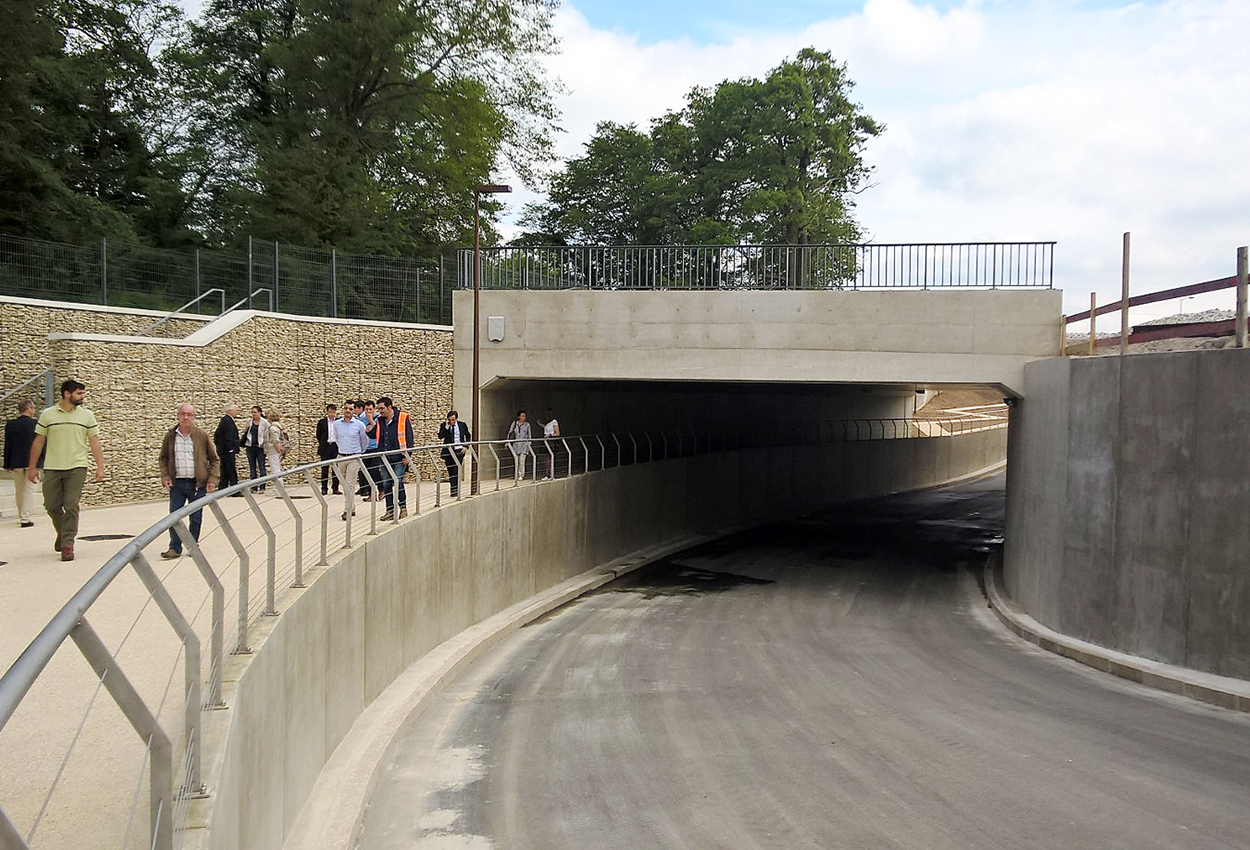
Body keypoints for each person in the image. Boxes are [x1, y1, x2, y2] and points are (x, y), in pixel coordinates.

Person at [27, 379, 105, 561]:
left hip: (77, 466)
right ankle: (62, 533)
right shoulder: (48, 415)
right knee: (52, 505)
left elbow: (94, 442)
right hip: (53, 467)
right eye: (79, 394)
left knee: (70, 505)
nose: (82, 397)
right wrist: (32, 467)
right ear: (66, 394)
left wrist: (100, 466)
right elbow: (38, 441)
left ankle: (68, 543)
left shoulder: (87, 416)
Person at [158, 403, 220, 559]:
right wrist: (165, 476)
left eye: (189, 414)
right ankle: (175, 547)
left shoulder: (201, 436)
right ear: (178, 416)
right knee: (174, 516)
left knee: (196, 517)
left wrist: (212, 478)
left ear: (194, 417)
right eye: (183, 414)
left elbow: (214, 459)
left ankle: (193, 544)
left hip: (197, 484)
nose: (186, 417)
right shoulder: (171, 436)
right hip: (177, 483)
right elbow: (163, 458)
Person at [3, 399, 42, 527]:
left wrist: (7, 463)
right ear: (28, 408)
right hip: (31, 461)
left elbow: (7, 445)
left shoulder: (11, 425)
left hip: (16, 461)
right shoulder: (35, 424)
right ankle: (25, 517)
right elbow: (41, 444)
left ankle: (21, 515)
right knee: (29, 489)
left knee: (19, 490)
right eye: (33, 408)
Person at [375, 396, 414, 520]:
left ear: (389, 407)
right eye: (379, 409)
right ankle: (390, 511)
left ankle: (403, 508)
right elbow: (374, 435)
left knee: (398, 482)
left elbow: (409, 438)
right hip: (385, 458)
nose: (380, 411)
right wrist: (370, 423)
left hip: (399, 458)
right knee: (387, 484)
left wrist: (408, 456)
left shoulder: (402, 418)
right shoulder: (380, 420)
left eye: (382, 408)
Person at [333, 400, 367, 521]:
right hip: (341, 456)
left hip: (354, 456)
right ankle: (351, 507)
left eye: (351, 409)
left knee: (350, 483)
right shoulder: (337, 424)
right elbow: (337, 438)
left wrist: (359, 453)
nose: (348, 410)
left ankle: (347, 510)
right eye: (346, 408)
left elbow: (364, 441)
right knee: (343, 483)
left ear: (354, 411)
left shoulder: (359, 425)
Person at [437, 410, 471, 497]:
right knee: (451, 471)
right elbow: (441, 436)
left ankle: (455, 490)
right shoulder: (444, 426)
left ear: (456, 419)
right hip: (448, 451)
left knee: (456, 470)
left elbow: (468, 435)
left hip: (459, 450)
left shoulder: (462, 425)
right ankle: (453, 490)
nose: (451, 421)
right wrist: (447, 427)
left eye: (453, 420)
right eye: (449, 420)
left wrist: (466, 446)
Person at [240, 405, 270, 492]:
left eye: (255, 412)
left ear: (260, 413)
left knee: (262, 466)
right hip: (250, 446)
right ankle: (253, 486)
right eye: (252, 412)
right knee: (252, 467)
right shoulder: (249, 421)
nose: (253, 414)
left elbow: (267, 433)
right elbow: (245, 431)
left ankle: (262, 486)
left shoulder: (265, 422)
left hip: (260, 447)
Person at [213, 404, 241, 495]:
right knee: (230, 469)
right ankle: (234, 489)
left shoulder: (225, 420)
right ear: (230, 411)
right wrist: (230, 448)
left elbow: (217, 435)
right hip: (228, 450)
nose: (238, 412)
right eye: (236, 410)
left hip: (224, 450)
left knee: (225, 469)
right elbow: (228, 436)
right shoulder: (227, 421)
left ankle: (223, 487)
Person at [356, 399, 380, 500]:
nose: (368, 412)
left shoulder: (377, 418)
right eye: (367, 409)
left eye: (371, 409)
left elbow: (377, 430)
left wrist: (370, 419)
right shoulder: (361, 419)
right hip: (365, 448)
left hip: (375, 447)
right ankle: (371, 494)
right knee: (367, 472)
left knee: (374, 471)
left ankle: (381, 489)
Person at [315, 403, 340, 495]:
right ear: (327, 412)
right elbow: (318, 435)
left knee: (336, 469)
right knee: (324, 469)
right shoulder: (322, 422)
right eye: (330, 412)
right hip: (325, 447)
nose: (332, 414)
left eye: (333, 412)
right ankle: (324, 488)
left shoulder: (339, 422)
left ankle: (335, 488)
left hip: (335, 447)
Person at [506, 409, 532, 482]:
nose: (524, 417)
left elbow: (529, 435)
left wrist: (529, 444)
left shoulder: (527, 425)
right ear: (519, 417)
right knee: (516, 460)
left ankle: (521, 475)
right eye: (522, 416)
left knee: (522, 461)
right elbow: (510, 432)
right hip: (516, 445)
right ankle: (516, 474)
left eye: (525, 416)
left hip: (524, 445)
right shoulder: (514, 424)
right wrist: (507, 441)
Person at [263, 411, 286, 480]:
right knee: (276, 468)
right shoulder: (278, 426)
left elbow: (275, 441)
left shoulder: (273, 428)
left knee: (275, 469)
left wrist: (279, 451)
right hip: (275, 450)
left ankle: (277, 489)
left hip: (273, 451)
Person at [541, 407, 560, 480]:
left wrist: (550, 435)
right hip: (546, 441)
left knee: (551, 459)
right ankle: (547, 475)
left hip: (551, 441)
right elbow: (546, 429)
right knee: (546, 459)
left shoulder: (554, 422)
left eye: (549, 413)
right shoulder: (547, 423)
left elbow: (557, 433)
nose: (547, 415)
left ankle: (551, 475)